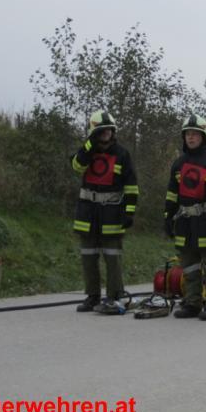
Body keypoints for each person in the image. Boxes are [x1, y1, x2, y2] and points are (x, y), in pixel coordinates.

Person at [164, 115, 206, 321]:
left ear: (203, 137)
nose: (191, 137)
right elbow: (172, 194)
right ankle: (192, 304)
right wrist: (168, 217)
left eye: (195, 134)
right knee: (190, 267)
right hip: (185, 223)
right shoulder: (179, 163)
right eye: (188, 134)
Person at [71, 111, 139, 314]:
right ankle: (92, 296)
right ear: (94, 133)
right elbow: (77, 166)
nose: (106, 133)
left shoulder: (122, 154)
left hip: (112, 213)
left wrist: (129, 212)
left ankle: (114, 295)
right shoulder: (86, 152)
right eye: (102, 130)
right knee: (88, 256)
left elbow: (131, 185)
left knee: (112, 256)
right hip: (87, 214)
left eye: (109, 130)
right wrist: (89, 146)